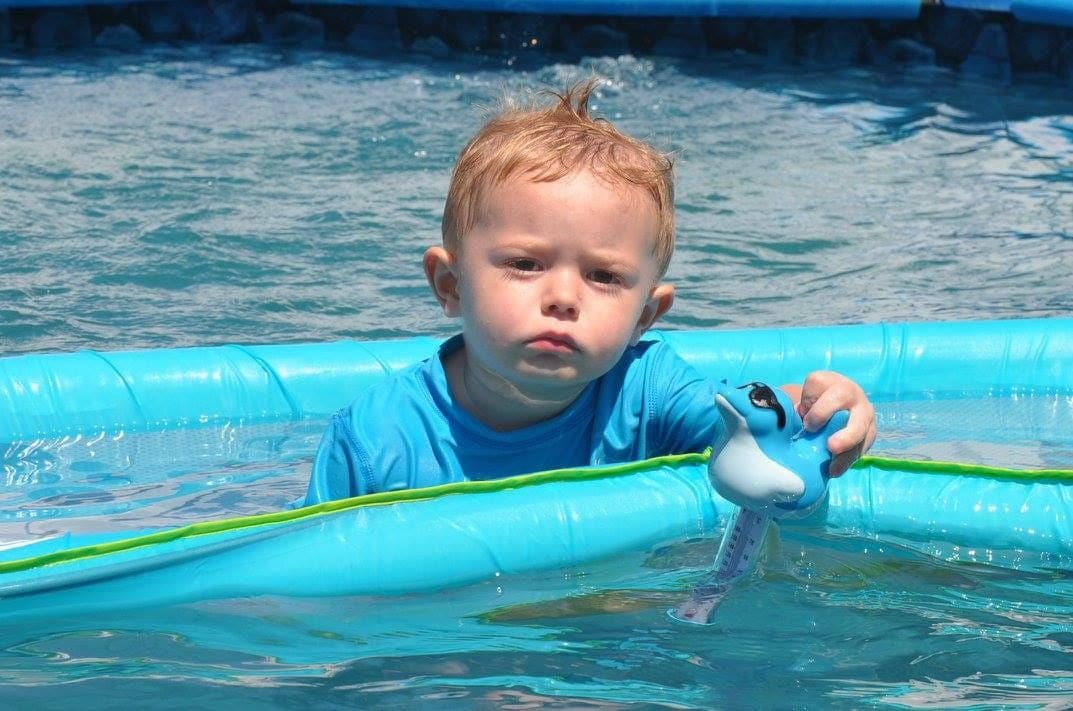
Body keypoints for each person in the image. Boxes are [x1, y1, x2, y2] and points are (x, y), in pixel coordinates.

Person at [304, 80, 876, 505]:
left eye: (604, 277)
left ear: (644, 317)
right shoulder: (377, 441)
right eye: (525, 264)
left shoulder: (647, 392)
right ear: (450, 286)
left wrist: (823, 414)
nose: (564, 297)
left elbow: (759, 429)